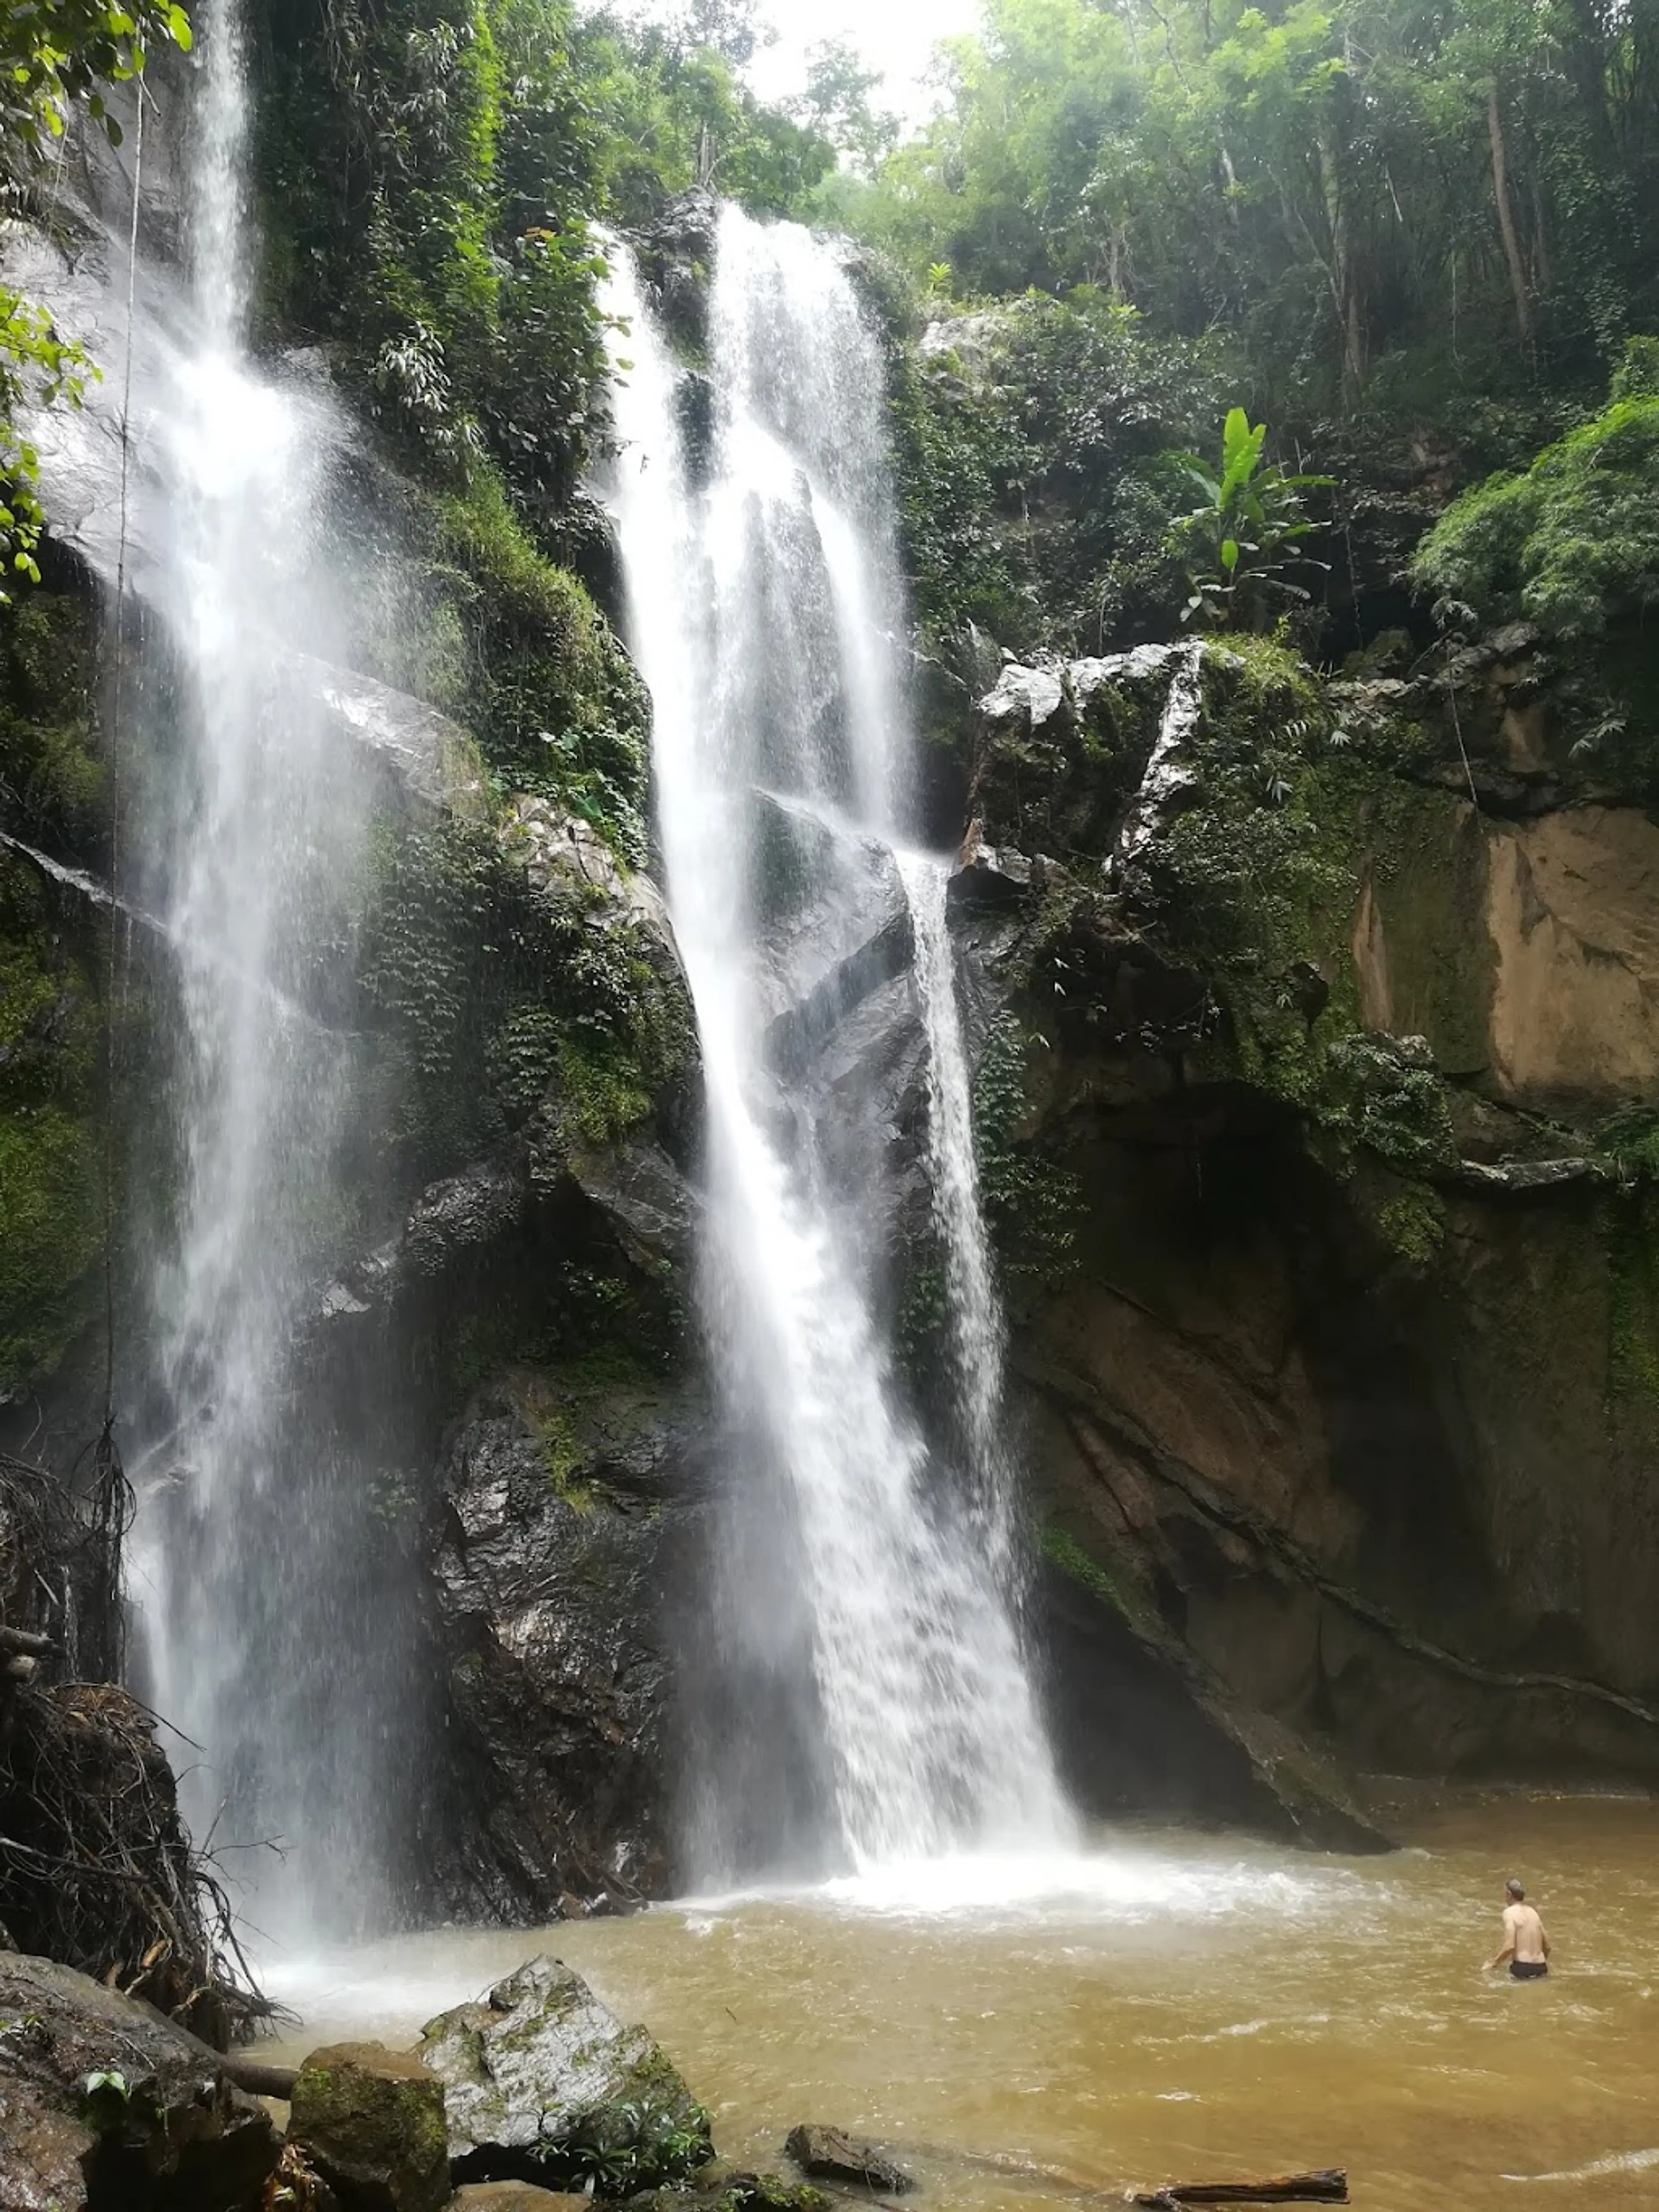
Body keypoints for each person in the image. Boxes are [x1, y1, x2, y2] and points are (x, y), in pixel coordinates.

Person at [1486, 1878, 1550, 1979]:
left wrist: (1494, 1963)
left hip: (1522, 1968)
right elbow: (1547, 1945)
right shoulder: (1533, 1912)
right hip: (1541, 1967)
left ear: (1509, 1894)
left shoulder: (1509, 1913)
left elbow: (1510, 1946)